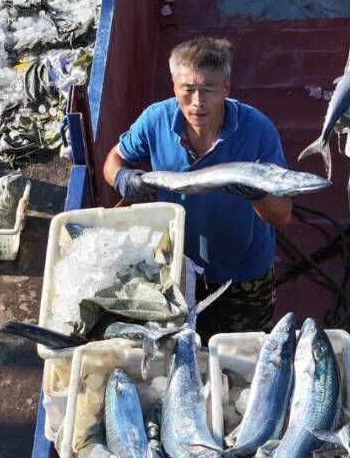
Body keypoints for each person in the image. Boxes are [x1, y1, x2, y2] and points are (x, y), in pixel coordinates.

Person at [103, 37, 292, 338]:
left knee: (247, 350)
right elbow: (114, 159)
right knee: (184, 345)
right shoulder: (156, 119)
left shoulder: (258, 130)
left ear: (227, 88)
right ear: (174, 86)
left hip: (244, 272)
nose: (197, 102)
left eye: (208, 89)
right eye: (188, 89)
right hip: (179, 266)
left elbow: (282, 216)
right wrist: (122, 178)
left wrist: (258, 194)